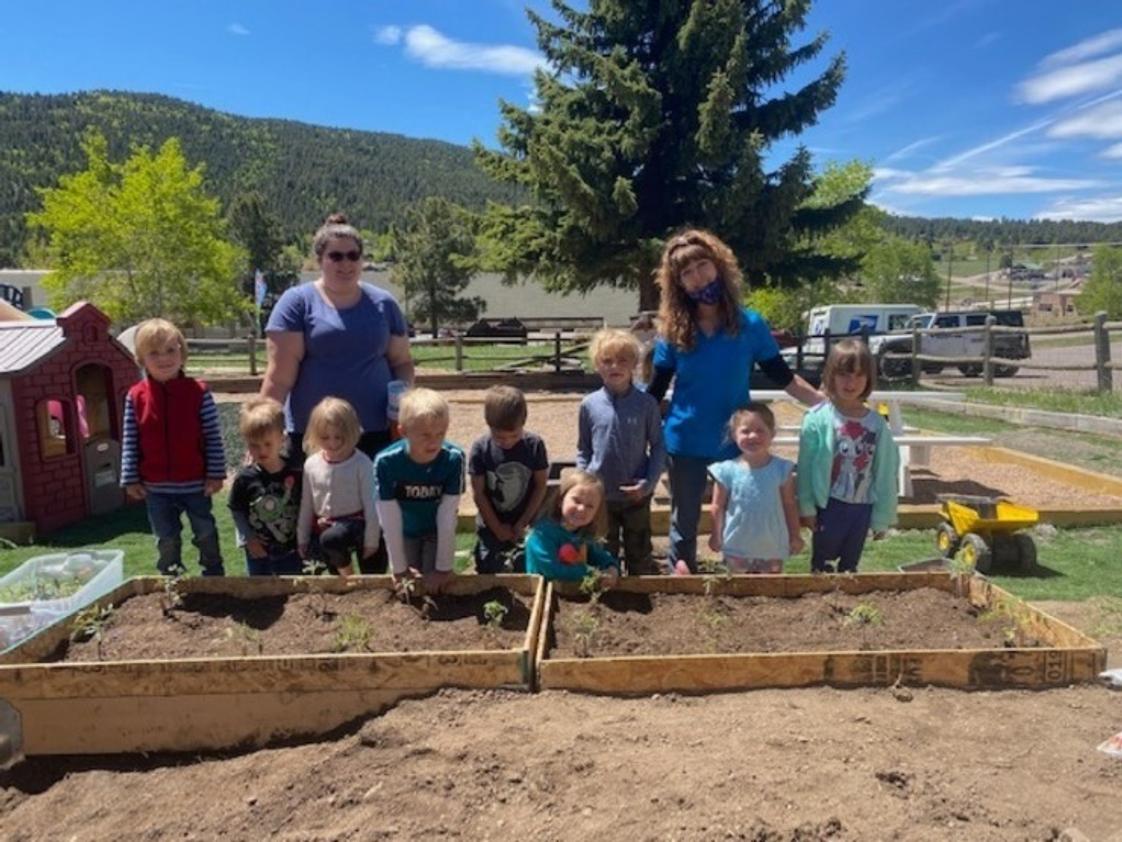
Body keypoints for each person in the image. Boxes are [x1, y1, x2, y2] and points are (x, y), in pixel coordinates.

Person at [646, 229, 822, 575]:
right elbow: (654, 391)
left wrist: (824, 403)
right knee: (686, 516)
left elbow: (782, 377)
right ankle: (682, 577)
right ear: (678, 283)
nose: (698, 276)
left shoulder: (750, 324)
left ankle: (743, 573)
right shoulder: (673, 330)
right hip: (685, 440)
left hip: (738, 442)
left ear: (719, 266)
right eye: (687, 272)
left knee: (745, 510)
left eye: (702, 265)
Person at [262, 212, 414, 573]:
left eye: (352, 255)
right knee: (324, 521)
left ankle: (378, 597)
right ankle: (334, 595)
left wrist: (406, 408)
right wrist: (264, 430)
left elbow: (403, 363)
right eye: (335, 255)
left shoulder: (384, 304)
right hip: (317, 437)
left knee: (376, 516)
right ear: (319, 259)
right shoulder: (296, 303)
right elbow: (279, 377)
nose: (345, 263)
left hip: (377, 433)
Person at [120, 318, 226, 576]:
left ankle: (213, 575)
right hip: (157, 488)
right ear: (141, 359)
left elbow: (213, 436)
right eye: (153, 353)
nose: (164, 358)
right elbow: (131, 440)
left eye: (170, 350)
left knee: (205, 532)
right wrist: (130, 477)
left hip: (195, 484)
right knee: (166, 538)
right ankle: (171, 579)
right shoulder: (136, 396)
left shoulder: (198, 392)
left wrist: (215, 474)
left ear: (182, 353)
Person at [797, 339, 900, 573]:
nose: (851, 382)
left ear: (869, 379)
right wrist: (806, 508)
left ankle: (847, 605)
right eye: (844, 374)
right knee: (823, 563)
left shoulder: (876, 424)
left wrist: (882, 516)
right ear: (831, 375)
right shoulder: (817, 419)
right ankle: (822, 604)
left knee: (850, 565)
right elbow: (804, 467)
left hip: (862, 506)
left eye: (859, 375)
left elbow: (885, 471)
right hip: (829, 504)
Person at [577, 329, 665, 575]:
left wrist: (648, 484)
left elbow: (658, 446)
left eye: (622, 360)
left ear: (634, 365)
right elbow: (584, 448)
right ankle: (606, 593)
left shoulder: (646, 404)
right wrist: (585, 482)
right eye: (607, 361)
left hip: (635, 494)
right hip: (601, 496)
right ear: (597, 365)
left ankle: (640, 587)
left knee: (639, 549)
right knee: (603, 550)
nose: (614, 366)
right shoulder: (589, 405)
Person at [374, 388, 464, 589]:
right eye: (425, 435)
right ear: (403, 431)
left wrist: (443, 569)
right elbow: (388, 517)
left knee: (436, 585)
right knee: (408, 585)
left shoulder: (453, 459)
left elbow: (448, 514)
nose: (433, 441)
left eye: (440, 433)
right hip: (405, 529)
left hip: (436, 530)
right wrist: (399, 567)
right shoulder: (386, 462)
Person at [707, 403, 803, 574]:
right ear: (734, 435)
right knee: (738, 591)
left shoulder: (781, 469)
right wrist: (716, 534)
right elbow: (717, 506)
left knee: (770, 592)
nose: (753, 436)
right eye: (745, 431)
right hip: (736, 546)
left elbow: (789, 504)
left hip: (772, 547)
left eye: (760, 430)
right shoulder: (726, 470)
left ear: (772, 434)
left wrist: (795, 535)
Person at [468, 386, 549, 574]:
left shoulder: (534, 446)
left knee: (525, 568)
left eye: (514, 435)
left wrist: (523, 522)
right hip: (491, 525)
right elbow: (478, 493)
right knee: (490, 569)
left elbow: (540, 485)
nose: (507, 441)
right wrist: (496, 527)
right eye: (499, 436)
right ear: (488, 425)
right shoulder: (481, 449)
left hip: (525, 522)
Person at [297, 397, 378, 577]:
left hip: (357, 524)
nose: (333, 443)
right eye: (325, 437)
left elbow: (371, 505)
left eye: (339, 437)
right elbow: (307, 504)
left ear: (351, 433)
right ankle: (346, 581)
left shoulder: (362, 463)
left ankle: (354, 580)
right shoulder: (311, 464)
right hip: (325, 525)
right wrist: (302, 538)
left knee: (373, 569)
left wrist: (372, 540)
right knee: (316, 564)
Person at [228, 397, 303, 576]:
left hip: (292, 550)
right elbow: (236, 510)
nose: (262, 451)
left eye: (268, 444)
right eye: (255, 445)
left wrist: (304, 538)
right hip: (258, 550)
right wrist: (249, 538)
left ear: (282, 439)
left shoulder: (296, 473)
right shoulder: (245, 478)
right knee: (261, 594)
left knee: (296, 592)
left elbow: (305, 508)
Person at [525, 469, 620, 584]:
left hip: (574, 591)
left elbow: (598, 555)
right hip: (543, 589)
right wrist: (592, 573)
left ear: (596, 512)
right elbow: (551, 570)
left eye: (590, 506)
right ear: (560, 500)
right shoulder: (542, 534)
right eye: (576, 501)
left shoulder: (583, 533)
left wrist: (611, 567)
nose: (581, 509)